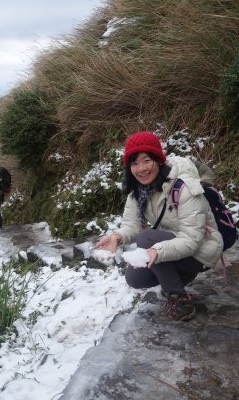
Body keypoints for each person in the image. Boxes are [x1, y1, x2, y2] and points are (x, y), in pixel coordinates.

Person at [95, 131, 223, 321]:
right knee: (135, 278)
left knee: (146, 239)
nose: (141, 169)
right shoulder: (138, 191)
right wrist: (117, 237)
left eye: (147, 161)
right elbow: (131, 225)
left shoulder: (184, 188)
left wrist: (156, 251)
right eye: (135, 163)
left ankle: (180, 299)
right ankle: (177, 278)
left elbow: (191, 240)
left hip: (202, 249)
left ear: (159, 160)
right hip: (173, 243)